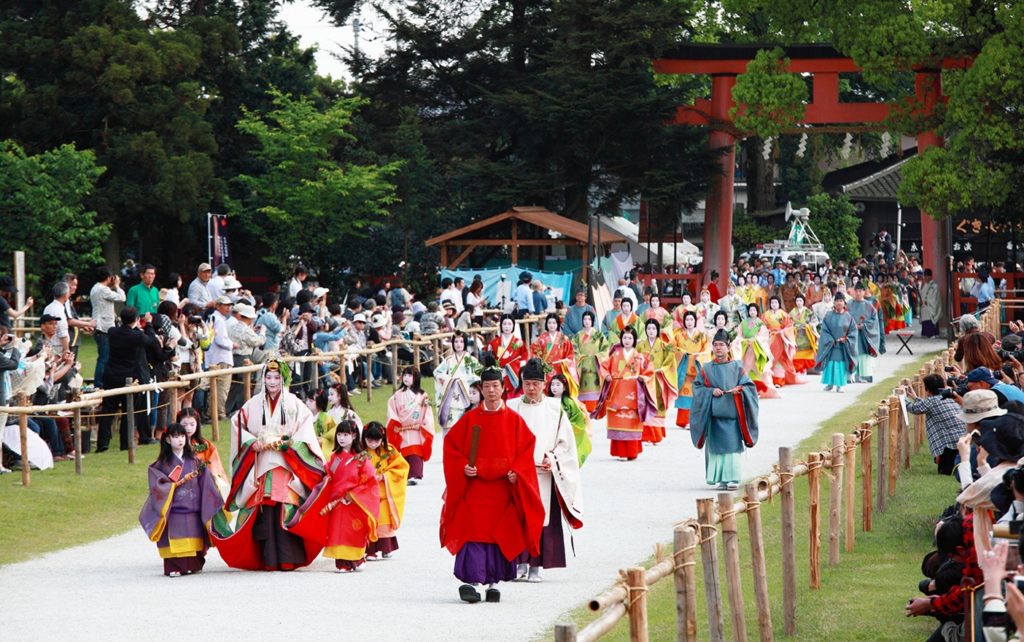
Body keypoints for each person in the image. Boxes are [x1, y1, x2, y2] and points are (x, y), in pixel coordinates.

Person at [440, 367, 545, 604]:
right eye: (486, 386)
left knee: (498, 535)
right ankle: (473, 583)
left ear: (503, 388)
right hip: (476, 488)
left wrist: (516, 473)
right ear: (481, 389)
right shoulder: (470, 419)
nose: (491, 391)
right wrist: (463, 467)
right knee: (473, 531)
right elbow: (452, 448)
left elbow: (526, 449)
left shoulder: (514, 421)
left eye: (495, 386)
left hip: (501, 488)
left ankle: (492, 583)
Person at [211, 360, 326, 571]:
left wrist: (289, 444)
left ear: (284, 379)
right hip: (261, 461)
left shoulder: (295, 404)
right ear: (263, 379)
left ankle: (287, 557)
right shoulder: (252, 404)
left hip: (285, 463)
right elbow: (238, 425)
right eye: (268, 377)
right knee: (262, 506)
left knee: (285, 503)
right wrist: (252, 442)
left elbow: (306, 432)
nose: (272, 382)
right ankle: (267, 559)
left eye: (277, 377)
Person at [507, 358, 583, 582]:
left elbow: (566, 444)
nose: (532, 388)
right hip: (518, 474)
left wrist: (552, 458)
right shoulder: (512, 407)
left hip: (543, 473)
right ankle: (518, 564)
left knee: (540, 519)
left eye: (536, 383)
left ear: (544, 383)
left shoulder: (554, 408)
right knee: (517, 519)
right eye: (528, 383)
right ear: (522, 383)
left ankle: (535, 567)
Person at [288, 420, 379, 572]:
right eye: (339, 434)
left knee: (353, 532)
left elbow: (370, 480)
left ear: (354, 436)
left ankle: (356, 559)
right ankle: (342, 563)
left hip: (354, 502)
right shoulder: (335, 457)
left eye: (346, 434)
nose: (341, 438)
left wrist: (353, 495)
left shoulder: (362, 458)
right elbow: (328, 475)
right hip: (336, 504)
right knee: (338, 533)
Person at [138, 423, 224, 577]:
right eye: (176, 436)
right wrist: (171, 487)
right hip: (174, 511)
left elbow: (206, 483)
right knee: (175, 542)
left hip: (193, 509)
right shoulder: (161, 464)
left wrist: (215, 494)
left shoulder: (195, 461)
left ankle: (193, 564)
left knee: (193, 539)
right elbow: (157, 484)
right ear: (168, 440)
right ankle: (174, 567)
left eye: (183, 436)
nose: (180, 440)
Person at [691, 329, 760, 490]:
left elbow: (749, 386)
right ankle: (721, 479)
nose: (718, 348)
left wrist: (740, 389)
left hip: (732, 416)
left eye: (722, 345)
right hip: (714, 417)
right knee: (716, 450)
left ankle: (733, 479)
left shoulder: (737, 367)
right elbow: (697, 387)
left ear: (729, 347)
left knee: (731, 449)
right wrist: (710, 391)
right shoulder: (706, 369)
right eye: (715, 345)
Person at [96, 307, 160, 451]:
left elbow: (119, 329)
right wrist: (148, 324)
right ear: (136, 320)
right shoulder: (137, 336)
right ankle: (125, 443)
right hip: (128, 377)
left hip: (112, 375)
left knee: (108, 410)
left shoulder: (113, 332)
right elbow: (150, 340)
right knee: (128, 411)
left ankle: (103, 443)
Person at [593, 327, 655, 461]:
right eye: (625, 338)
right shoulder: (615, 355)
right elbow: (604, 367)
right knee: (619, 422)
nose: (627, 340)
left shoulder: (639, 356)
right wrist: (607, 375)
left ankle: (632, 452)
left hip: (634, 393)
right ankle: (620, 452)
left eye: (630, 338)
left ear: (634, 340)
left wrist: (642, 378)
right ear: (621, 339)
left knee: (631, 422)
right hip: (617, 392)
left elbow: (649, 370)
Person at [362, 421, 409, 560]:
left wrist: (385, 476)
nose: (373, 444)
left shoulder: (389, 451)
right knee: (369, 520)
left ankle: (386, 548)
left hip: (384, 492)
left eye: (377, 440)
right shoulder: (361, 452)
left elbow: (401, 467)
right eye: (369, 440)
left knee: (384, 521)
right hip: (367, 493)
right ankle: (370, 550)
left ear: (382, 438)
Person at [905, 374, 966, 474]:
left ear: (928, 389)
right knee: (957, 468)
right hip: (963, 441)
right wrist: (916, 398)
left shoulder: (932, 401)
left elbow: (913, 408)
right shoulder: (951, 396)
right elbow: (928, 405)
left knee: (945, 471)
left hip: (949, 446)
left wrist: (902, 397)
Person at [386, 366, 434, 485]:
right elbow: (392, 410)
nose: (406, 378)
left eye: (409, 376)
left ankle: (415, 475)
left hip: (416, 429)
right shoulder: (397, 395)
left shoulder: (422, 395)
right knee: (404, 453)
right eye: (405, 375)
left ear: (416, 378)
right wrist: (395, 423)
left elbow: (427, 412)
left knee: (415, 452)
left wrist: (424, 425)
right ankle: (406, 475)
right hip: (402, 429)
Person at [637, 318, 678, 444]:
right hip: (645, 380)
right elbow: (635, 359)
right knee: (644, 404)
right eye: (648, 328)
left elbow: (670, 359)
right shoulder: (640, 345)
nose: (651, 331)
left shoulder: (664, 346)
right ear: (645, 330)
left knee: (657, 404)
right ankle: (645, 434)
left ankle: (656, 435)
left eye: (654, 328)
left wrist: (663, 369)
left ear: (658, 330)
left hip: (657, 380)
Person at [434, 331, 481, 435]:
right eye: (456, 341)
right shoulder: (449, 360)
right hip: (451, 399)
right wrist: (448, 380)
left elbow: (479, 375)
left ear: (465, 343)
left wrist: (462, 380)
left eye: (461, 341)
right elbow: (437, 373)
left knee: (467, 430)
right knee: (450, 431)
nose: (458, 344)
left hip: (467, 398)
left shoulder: (471, 360)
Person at [177, 407, 228, 497]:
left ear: (197, 425)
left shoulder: (205, 444)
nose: (188, 428)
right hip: (181, 484)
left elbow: (214, 466)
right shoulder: (174, 444)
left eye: (192, 424)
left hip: (203, 484)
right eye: (184, 425)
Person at [89, 268, 126, 388]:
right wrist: (117, 286)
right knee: (104, 358)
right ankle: (99, 384)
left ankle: (101, 383)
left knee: (103, 357)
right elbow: (122, 298)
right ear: (109, 278)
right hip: (104, 327)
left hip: (100, 326)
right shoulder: (103, 290)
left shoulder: (95, 288)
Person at [815, 293, 858, 394]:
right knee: (830, 364)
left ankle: (840, 385)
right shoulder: (828, 315)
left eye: (841, 301)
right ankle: (830, 384)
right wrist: (830, 340)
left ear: (844, 303)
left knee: (840, 365)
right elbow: (824, 330)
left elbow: (853, 331)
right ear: (834, 302)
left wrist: (846, 339)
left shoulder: (848, 317)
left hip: (843, 346)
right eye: (837, 300)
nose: (839, 303)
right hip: (831, 345)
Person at [674, 310, 710, 429]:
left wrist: (700, 355)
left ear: (695, 321)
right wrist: (683, 353)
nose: (689, 322)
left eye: (691, 320)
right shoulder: (678, 334)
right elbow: (673, 348)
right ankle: (683, 421)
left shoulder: (701, 335)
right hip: (683, 365)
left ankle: (695, 420)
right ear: (684, 321)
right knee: (684, 392)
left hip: (696, 365)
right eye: (687, 320)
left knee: (696, 392)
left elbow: (706, 349)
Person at [547, 374, 592, 466]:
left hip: (566, 433)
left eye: (558, 385)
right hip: (551, 434)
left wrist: (567, 427)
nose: (554, 387)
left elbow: (578, 419)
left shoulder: (570, 402)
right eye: (552, 384)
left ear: (564, 387)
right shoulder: (546, 401)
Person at [736, 303, 776, 398]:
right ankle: (745, 390)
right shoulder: (743, 323)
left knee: (758, 370)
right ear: (748, 312)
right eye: (750, 310)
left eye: (754, 310)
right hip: (745, 348)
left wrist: (755, 340)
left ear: (757, 312)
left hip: (756, 349)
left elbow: (764, 336)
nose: (752, 312)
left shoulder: (760, 323)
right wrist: (744, 341)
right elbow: (739, 336)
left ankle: (759, 390)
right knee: (745, 369)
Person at [573, 311, 610, 412]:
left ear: (592, 321)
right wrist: (581, 358)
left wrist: (597, 357)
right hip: (582, 366)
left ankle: (595, 409)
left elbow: (606, 349)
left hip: (595, 366)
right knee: (582, 389)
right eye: (585, 319)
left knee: (595, 388)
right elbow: (574, 350)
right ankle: (582, 409)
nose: (587, 321)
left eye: (589, 319)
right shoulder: (577, 335)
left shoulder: (598, 334)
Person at [530, 313, 576, 392]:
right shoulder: (541, 339)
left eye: (554, 323)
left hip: (560, 369)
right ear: (546, 324)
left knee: (560, 391)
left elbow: (570, 354)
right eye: (549, 323)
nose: (551, 325)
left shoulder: (563, 338)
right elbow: (534, 353)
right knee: (547, 391)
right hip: (546, 370)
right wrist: (540, 364)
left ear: (557, 324)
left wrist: (566, 361)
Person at [764, 296, 803, 387]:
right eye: (772, 303)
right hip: (769, 339)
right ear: (770, 304)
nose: (774, 305)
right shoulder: (765, 315)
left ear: (779, 304)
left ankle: (779, 381)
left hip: (781, 339)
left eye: (776, 303)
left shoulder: (784, 314)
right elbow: (762, 327)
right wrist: (768, 332)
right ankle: (769, 380)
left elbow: (789, 326)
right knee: (770, 359)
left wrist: (781, 332)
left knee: (780, 361)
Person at [486, 314, 528, 398]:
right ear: (501, 325)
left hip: (514, 375)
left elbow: (524, 356)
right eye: (504, 324)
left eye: (509, 324)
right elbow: (489, 358)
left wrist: (517, 364)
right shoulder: (494, 342)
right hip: (499, 374)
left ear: (513, 326)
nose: (507, 327)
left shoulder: (518, 342)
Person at [847, 283, 881, 384]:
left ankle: (863, 375)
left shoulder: (869, 305)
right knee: (850, 353)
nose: (858, 293)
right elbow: (843, 317)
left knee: (862, 355)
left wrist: (863, 326)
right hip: (851, 334)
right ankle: (849, 375)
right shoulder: (848, 304)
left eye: (860, 291)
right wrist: (851, 326)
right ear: (853, 291)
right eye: (856, 291)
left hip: (863, 335)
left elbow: (874, 320)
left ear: (864, 292)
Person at [789, 294, 818, 373]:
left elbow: (814, 321)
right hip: (796, 335)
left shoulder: (808, 311)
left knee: (807, 352)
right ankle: (798, 369)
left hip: (806, 335)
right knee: (796, 352)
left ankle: (806, 368)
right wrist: (794, 327)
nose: (799, 302)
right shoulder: (792, 312)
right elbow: (788, 323)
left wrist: (808, 326)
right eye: (797, 301)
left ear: (803, 302)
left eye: (800, 301)